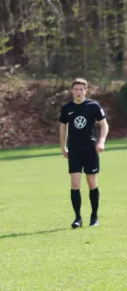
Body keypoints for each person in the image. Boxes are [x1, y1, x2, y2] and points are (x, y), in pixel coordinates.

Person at [59, 78, 109, 228]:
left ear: (86, 91)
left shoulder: (93, 106)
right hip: (74, 150)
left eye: (82, 89)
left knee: (91, 182)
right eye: (76, 89)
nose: (79, 92)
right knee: (75, 183)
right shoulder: (67, 108)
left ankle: (94, 216)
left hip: (90, 149)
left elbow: (104, 125)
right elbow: (63, 127)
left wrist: (101, 141)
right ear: (72, 91)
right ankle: (77, 218)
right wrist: (63, 147)